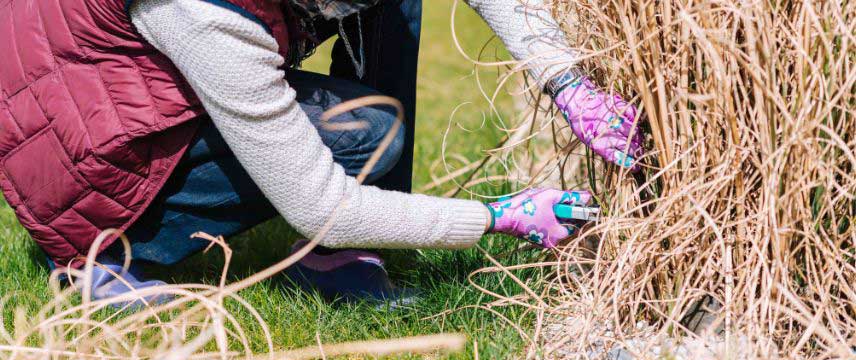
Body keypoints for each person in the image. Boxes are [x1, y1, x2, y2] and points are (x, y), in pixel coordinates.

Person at [0, 0, 642, 306]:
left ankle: (340, 262)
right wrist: (496, 217)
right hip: (86, 158)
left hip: (126, 88)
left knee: (397, 9)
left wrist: (567, 82)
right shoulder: (202, 13)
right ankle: (104, 258)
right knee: (371, 131)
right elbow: (319, 206)